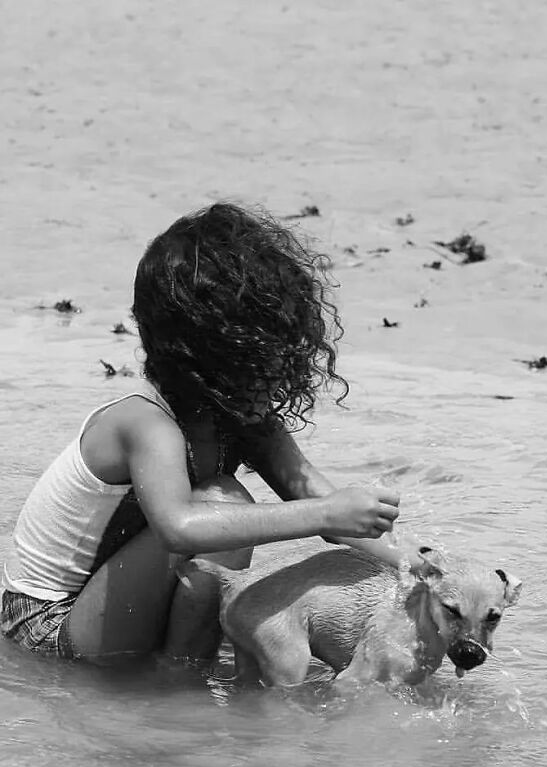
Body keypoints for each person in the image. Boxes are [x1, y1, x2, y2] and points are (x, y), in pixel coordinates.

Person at [1, 202, 420, 665]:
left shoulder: (241, 419)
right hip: (46, 625)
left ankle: (186, 672)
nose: (285, 368)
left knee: (227, 511)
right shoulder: (144, 423)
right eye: (269, 355)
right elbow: (179, 528)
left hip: (120, 604)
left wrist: (416, 565)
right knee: (224, 504)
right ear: (216, 355)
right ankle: (180, 683)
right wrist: (324, 514)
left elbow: (321, 501)